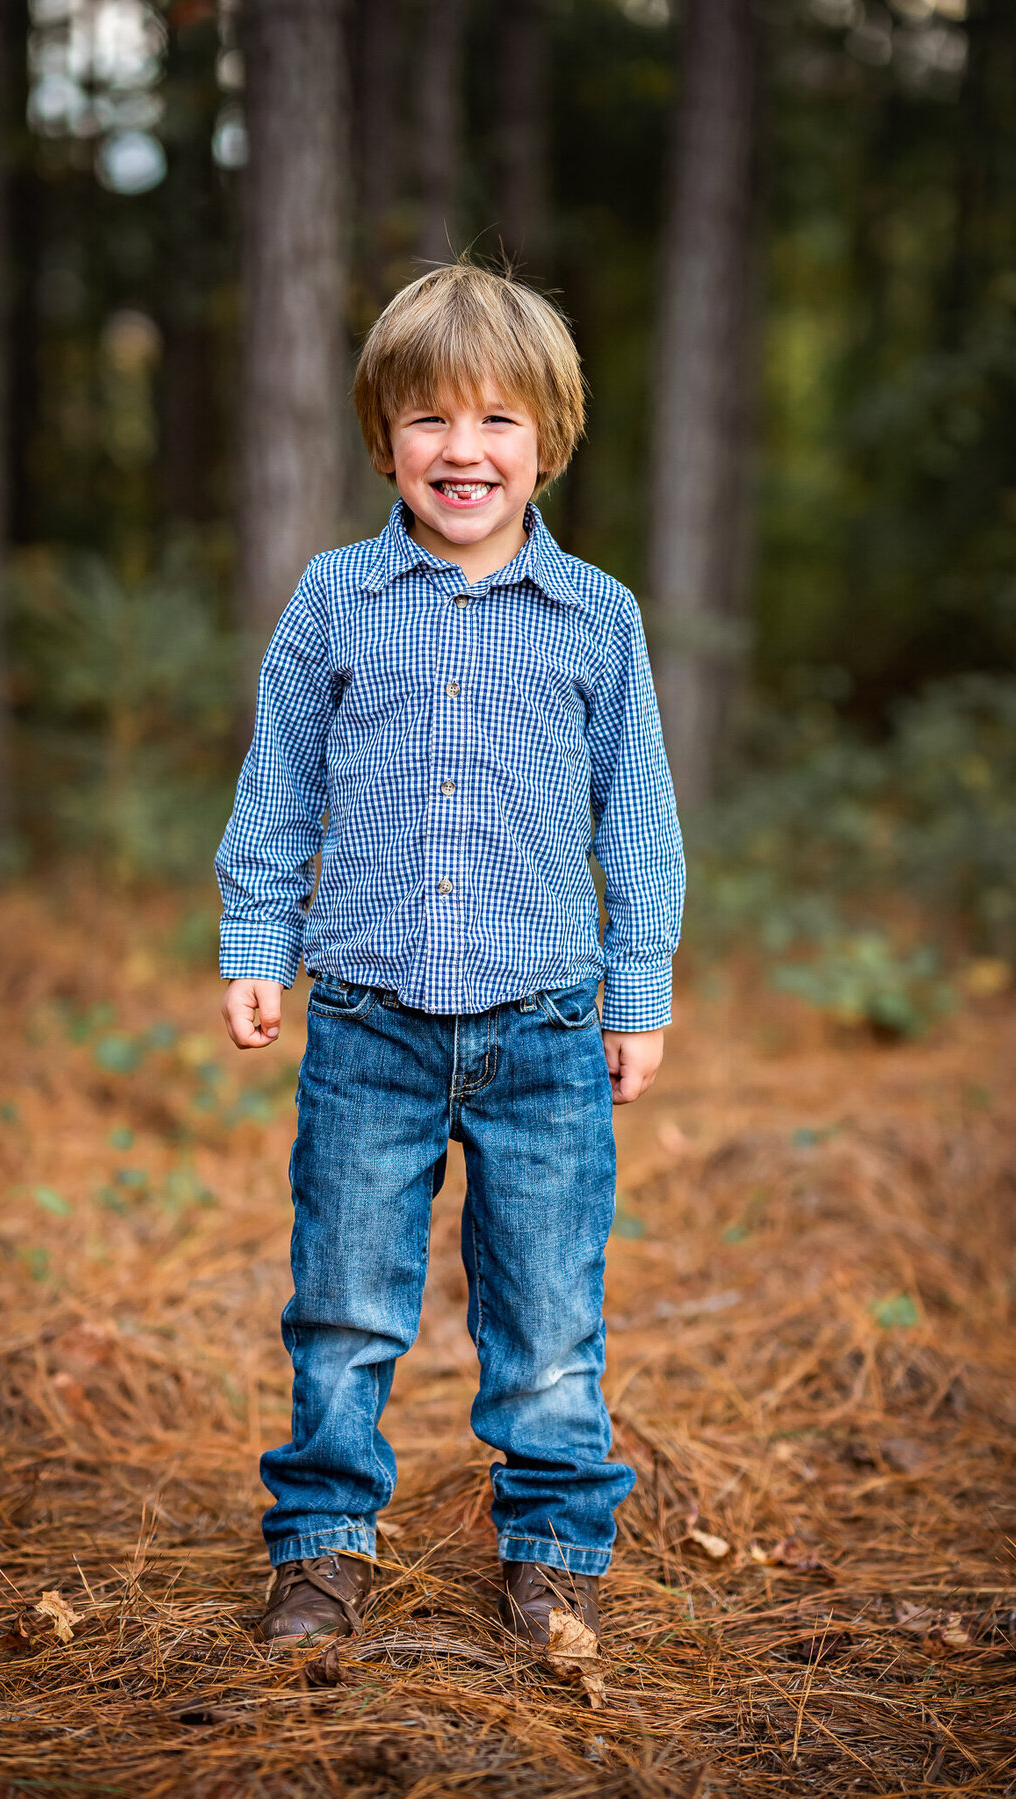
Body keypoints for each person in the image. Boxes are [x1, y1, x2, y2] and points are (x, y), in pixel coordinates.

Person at [216, 260, 684, 1652]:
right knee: (348, 1306)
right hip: (367, 1021)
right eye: (428, 421)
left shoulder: (596, 615)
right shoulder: (336, 601)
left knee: (546, 1320)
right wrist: (258, 941)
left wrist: (639, 989)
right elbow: (278, 787)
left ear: (547, 440)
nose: (462, 451)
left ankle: (552, 1548)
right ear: (383, 442)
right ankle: (321, 1545)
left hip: (545, 1027)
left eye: (496, 422)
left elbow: (641, 820)